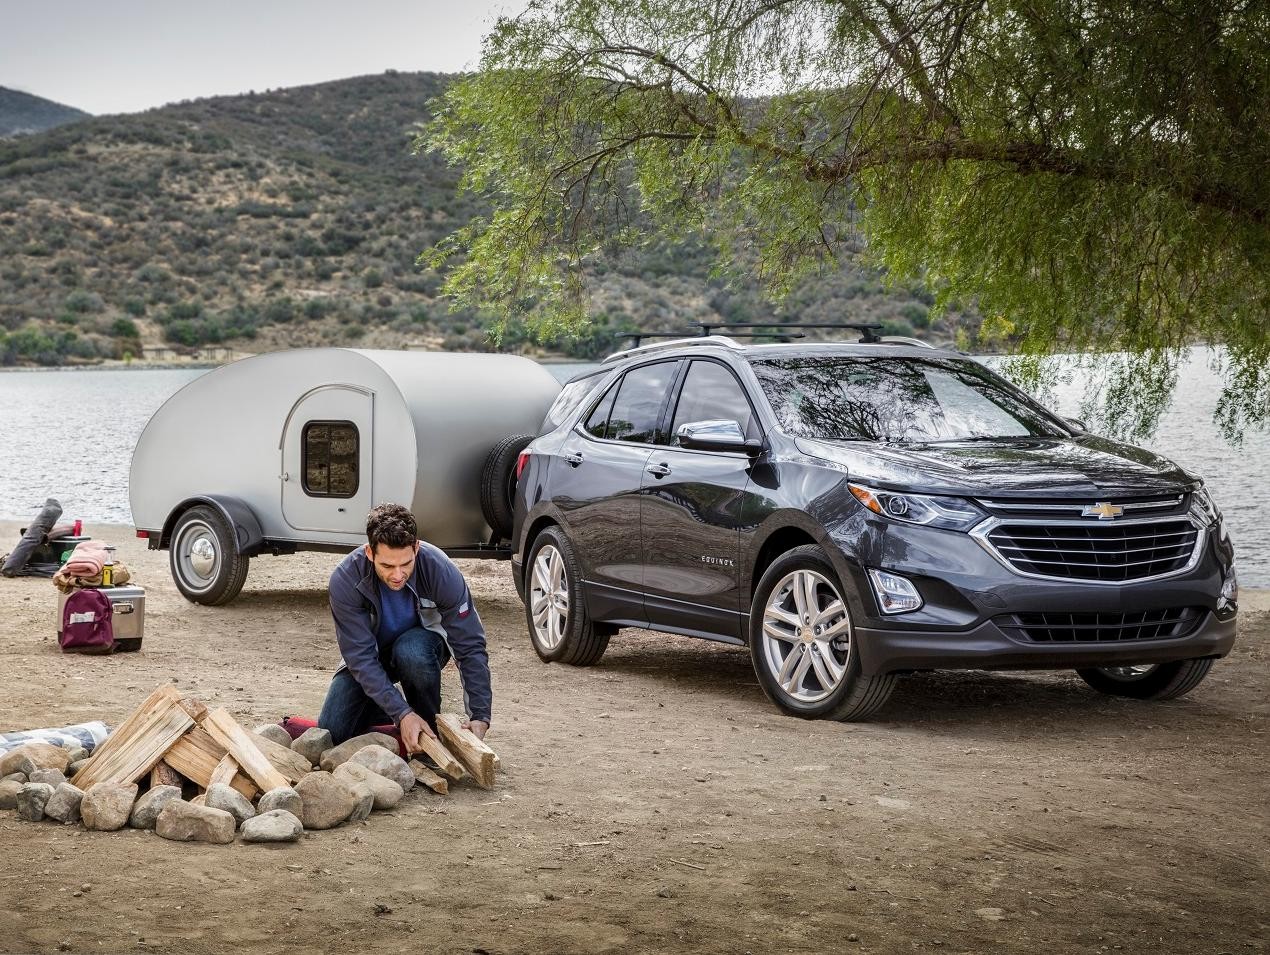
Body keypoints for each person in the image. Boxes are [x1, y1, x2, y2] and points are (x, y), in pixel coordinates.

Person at [319, 503, 491, 751]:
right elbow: (360, 658)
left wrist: (479, 714)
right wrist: (401, 713)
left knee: (411, 651)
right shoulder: (346, 579)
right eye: (387, 566)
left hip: (423, 648)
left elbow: (469, 645)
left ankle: (429, 729)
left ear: (416, 548)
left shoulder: (440, 570)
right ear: (370, 553)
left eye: (406, 564)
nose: (398, 575)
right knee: (334, 730)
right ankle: (398, 711)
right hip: (373, 655)